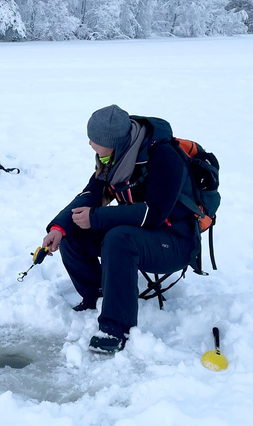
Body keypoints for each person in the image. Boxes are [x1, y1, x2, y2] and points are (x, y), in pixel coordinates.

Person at [41, 105, 199, 353]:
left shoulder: (164, 157)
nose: (90, 143)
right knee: (74, 230)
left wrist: (97, 217)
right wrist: (60, 226)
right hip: (141, 234)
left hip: (175, 241)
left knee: (119, 238)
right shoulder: (115, 158)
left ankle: (116, 329)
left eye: (95, 139)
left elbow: (154, 213)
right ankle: (99, 295)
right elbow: (91, 194)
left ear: (112, 140)